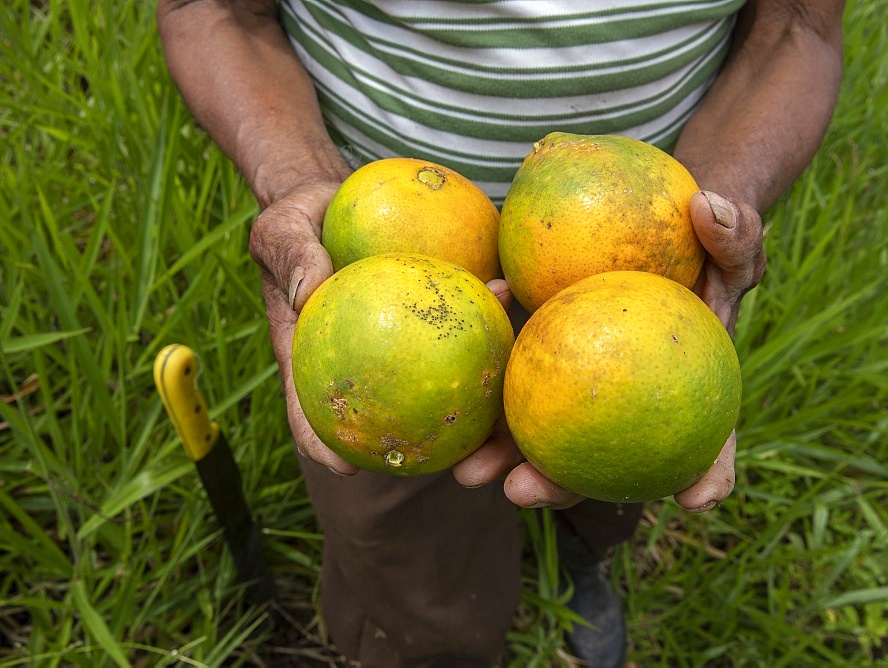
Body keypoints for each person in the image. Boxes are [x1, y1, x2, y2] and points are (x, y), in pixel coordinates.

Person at [157, 1, 844, 665]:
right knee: (404, 527)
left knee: (620, 462)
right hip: (381, 267)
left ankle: (581, 559)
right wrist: (296, 181)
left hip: (644, 267)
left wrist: (718, 206)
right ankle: (433, 647)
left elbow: (797, 28)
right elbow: (209, 9)